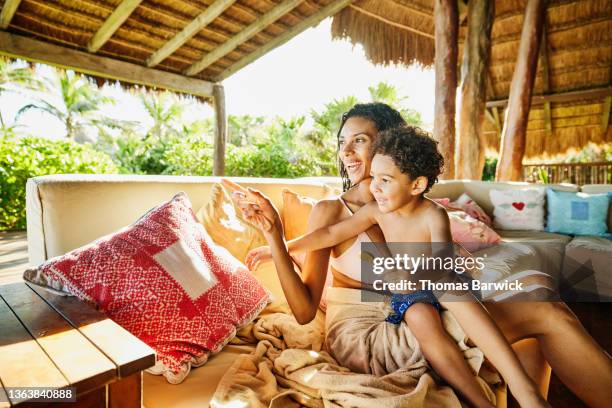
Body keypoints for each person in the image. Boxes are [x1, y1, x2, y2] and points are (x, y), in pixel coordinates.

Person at [233, 103, 611, 407]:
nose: (346, 152)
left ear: (388, 144)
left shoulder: (412, 205)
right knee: (546, 314)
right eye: (342, 141)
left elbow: (445, 262)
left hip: (421, 310)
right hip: (367, 332)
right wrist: (275, 239)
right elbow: (303, 310)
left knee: (538, 291)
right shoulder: (332, 211)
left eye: (358, 141)